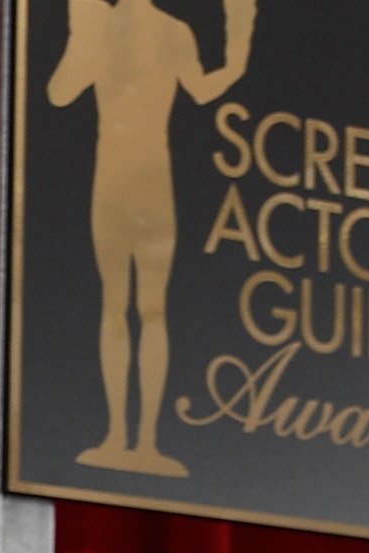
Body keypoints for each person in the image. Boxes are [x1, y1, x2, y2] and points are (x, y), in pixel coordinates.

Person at [49, 0, 255, 474]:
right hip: (134, 182)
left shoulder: (130, 29)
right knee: (135, 308)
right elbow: (205, 90)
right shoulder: (157, 29)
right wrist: (238, 53)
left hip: (132, 182)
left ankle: (137, 439)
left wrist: (80, 35)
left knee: (131, 307)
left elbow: (62, 91)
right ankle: (129, 438)